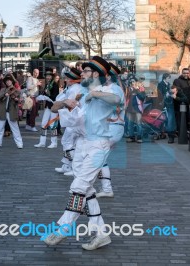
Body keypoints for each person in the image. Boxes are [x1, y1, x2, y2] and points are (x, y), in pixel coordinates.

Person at [44, 56, 120, 251]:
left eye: (85, 71)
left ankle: (62, 227)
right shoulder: (82, 93)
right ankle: (101, 234)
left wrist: (95, 94)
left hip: (98, 145)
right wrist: (65, 105)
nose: (82, 74)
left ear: (95, 74)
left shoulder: (109, 88)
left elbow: (117, 99)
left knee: (78, 186)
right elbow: (56, 108)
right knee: (87, 191)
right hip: (81, 144)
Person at [96, 62, 126, 198]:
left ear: (108, 76)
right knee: (101, 159)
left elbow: (114, 104)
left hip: (113, 128)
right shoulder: (112, 88)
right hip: (111, 128)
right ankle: (106, 189)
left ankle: (106, 189)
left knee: (99, 158)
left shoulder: (115, 89)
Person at [53, 68, 83, 175]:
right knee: (68, 142)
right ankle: (67, 166)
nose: (65, 79)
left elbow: (70, 104)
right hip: (72, 118)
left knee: (68, 142)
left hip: (73, 119)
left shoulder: (74, 88)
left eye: (67, 77)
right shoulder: (72, 88)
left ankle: (74, 168)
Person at [0, 74, 23, 149]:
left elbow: (20, 100)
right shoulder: (3, 89)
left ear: (12, 81)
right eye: (7, 81)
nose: (8, 82)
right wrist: (5, 94)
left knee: (15, 128)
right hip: (3, 111)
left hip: (11, 112)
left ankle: (19, 143)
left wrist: (17, 100)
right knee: (0, 128)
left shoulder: (16, 90)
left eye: (9, 81)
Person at [34, 71, 59, 148]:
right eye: (47, 76)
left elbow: (55, 96)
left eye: (49, 76)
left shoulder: (54, 84)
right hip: (48, 106)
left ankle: (54, 143)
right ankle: (42, 142)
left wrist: (48, 96)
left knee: (52, 124)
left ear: (52, 77)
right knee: (44, 123)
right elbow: (45, 94)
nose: (48, 77)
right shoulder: (47, 85)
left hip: (54, 107)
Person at [172, 68, 190, 134]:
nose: (186, 74)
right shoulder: (177, 81)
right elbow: (178, 92)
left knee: (187, 119)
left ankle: (186, 132)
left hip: (188, 104)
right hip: (180, 104)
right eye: (184, 73)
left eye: (187, 73)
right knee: (180, 119)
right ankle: (180, 133)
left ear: (189, 73)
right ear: (182, 73)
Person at [125, 77, 146, 143]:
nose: (132, 83)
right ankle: (131, 137)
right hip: (130, 108)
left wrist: (137, 90)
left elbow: (142, 98)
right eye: (131, 82)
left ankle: (139, 137)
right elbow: (126, 98)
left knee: (139, 123)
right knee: (130, 124)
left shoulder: (141, 88)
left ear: (137, 82)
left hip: (137, 108)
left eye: (134, 81)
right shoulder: (129, 89)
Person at [157, 73, 176, 143]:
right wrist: (166, 95)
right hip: (164, 104)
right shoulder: (160, 84)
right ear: (165, 78)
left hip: (169, 103)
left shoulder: (168, 85)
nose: (169, 79)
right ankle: (164, 133)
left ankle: (169, 134)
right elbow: (159, 94)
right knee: (165, 119)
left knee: (169, 119)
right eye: (168, 78)